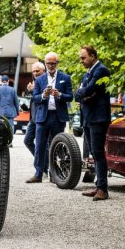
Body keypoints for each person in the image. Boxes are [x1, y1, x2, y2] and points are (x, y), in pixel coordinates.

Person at [27, 52, 73, 183]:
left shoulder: (65, 78)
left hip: (58, 117)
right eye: (48, 63)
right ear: (45, 64)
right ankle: (38, 174)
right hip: (42, 117)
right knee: (39, 146)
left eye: (53, 63)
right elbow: (35, 98)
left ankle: (55, 174)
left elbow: (70, 96)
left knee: (58, 146)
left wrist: (60, 95)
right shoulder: (39, 80)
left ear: (57, 63)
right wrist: (43, 95)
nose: (51, 66)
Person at [75, 45, 111, 201]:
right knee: (94, 153)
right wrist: (83, 94)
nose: (81, 61)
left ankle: (103, 189)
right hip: (88, 118)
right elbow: (78, 95)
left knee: (98, 152)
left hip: (98, 118)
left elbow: (89, 90)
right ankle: (99, 186)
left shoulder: (101, 70)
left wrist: (84, 93)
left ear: (93, 56)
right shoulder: (87, 74)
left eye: (83, 57)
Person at [23, 62, 45, 156]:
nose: (35, 73)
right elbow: (35, 100)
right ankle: (39, 159)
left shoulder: (45, 81)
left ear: (43, 71)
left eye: (37, 71)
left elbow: (43, 98)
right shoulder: (34, 82)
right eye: (33, 71)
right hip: (33, 117)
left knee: (43, 143)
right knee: (27, 140)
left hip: (42, 116)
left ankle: (43, 162)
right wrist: (28, 109)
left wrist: (32, 90)